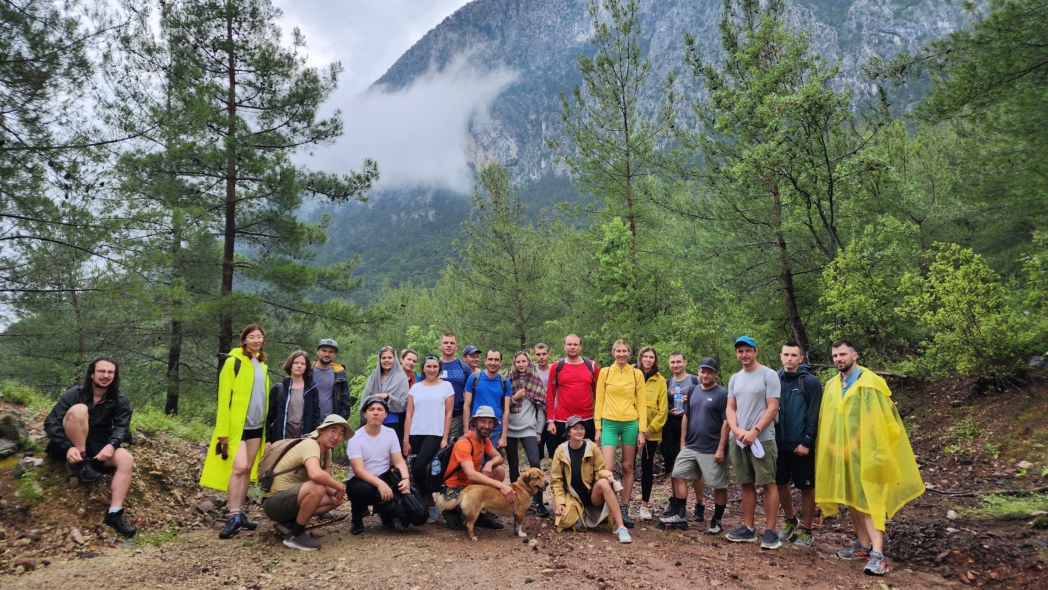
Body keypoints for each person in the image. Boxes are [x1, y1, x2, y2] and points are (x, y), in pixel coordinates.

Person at [817, 341, 924, 576]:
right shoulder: (833, 385)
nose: (838, 359)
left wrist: (879, 451)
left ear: (855, 355)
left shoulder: (870, 383)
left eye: (843, 354)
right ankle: (863, 546)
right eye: (835, 355)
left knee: (870, 501)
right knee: (852, 499)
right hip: (844, 454)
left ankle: (878, 555)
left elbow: (884, 420)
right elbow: (829, 422)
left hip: (870, 453)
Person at [44, 357, 136, 537]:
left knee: (126, 458)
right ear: (92, 374)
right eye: (101, 371)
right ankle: (81, 464)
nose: (105, 375)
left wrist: (112, 445)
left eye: (110, 372)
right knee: (79, 410)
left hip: (99, 444)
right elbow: (51, 422)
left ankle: (114, 514)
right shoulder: (75, 393)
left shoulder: (119, 399)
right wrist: (67, 447)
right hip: (70, 443)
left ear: (115, 376)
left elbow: (121, 427)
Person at [200, 324, 272, 540]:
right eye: (252, 337)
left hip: (256, 425)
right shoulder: (233, 363)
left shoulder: (262, 365)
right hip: (235, 427)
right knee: (239, 468)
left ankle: (240, 513)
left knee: (248, 469)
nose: (257, 340)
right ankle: (232, 515)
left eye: (260, 337)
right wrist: (222, 431)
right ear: (244, 340)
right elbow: (223, 399)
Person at [660, 358, 730, 534]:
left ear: (716, 374)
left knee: (718, 485)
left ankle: (717, 520)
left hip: (712, 447)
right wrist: (683, 442)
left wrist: (721, 448)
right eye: (702, 371)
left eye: (709, 372)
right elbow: (686, 416)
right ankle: (681, 515)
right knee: (677, 473)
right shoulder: (693, 390)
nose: (705, 375)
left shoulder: (723, 394)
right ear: (698, 372)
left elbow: (726, 422)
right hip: (691, 445)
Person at [725, 336, 782, 549]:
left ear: (756, 351)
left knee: (768, 482)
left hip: (762, 439)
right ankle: (748, 529)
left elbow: (772, 407)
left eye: (748, 350)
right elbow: (731, 407)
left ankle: (771, 532)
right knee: (746, 483)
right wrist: (737, 430)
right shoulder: (735, 378)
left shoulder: (769, 375)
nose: (744, 355)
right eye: (740, 351)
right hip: (739, 440)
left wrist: (755, 431)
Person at [261, 414, 351, 551]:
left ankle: (288, 522)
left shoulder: (326, 451)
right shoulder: (310, 444)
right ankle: (295, 535)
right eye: (333, 430)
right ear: (321, 431)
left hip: (289, 500)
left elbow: (327, 480)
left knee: (334, 500)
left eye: (341, 433)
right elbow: (315, 474)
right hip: (273, 503)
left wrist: (338, 494)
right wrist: (339, 486)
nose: (336, 437)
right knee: (317, 487)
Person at [550, 416, 632, 544]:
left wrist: (606, 475)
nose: (579, 431)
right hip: (573, 495)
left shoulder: (592, 448)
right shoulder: (560, 451)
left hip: (591, 493)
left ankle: (621, 528)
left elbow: (599, 470)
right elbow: (556, 480)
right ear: (568, 432)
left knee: (605, 483)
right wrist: (559, 502)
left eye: (582, 428)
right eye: (575, 428)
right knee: (563, 520)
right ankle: (582, 516)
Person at [775, 342, 824, 547]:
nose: (789, 358)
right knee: (780, 483)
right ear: (781, 356)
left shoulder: (810, 382)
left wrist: (807, 441)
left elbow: (814, 414)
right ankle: (789, 520)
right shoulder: (775, 379)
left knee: (806, 487)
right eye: (786, 354)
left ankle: (807, 529)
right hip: (778, 443)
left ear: (801, 358)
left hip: (801, 444)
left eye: (794, 355)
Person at [594, 339, 646, 528]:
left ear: (629, 353)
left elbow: (641, 402)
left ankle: (624, 507)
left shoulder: (636, 374)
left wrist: (642, 430)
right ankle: (609, 507)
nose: (622, 354)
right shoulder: (605, 373)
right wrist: (598, 427)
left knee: (627, 467)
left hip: (630, 423)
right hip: (609, 422)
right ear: (613, 353)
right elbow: (599, 401)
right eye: (618, 351)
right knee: (606, 469)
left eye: (625, 351)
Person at [440, 406, 515, 531]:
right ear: (475, 422)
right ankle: (453, 512)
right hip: (456, 488)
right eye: (483, 421)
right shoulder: (464, 443)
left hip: (471, 485)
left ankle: (482, 514)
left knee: (499, 470)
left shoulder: (484, 440)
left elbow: (499, 458)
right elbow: (471, 474)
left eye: (490, 422)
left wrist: (489, 463)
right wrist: (501, 486)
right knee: (489, 480)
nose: (487, 426)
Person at [345, 396, 412, 535]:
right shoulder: (355, 437)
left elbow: (399, 461)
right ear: (365, 414)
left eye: (380, 410)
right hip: (361, 480)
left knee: (413, 513)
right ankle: (357, 518)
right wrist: (380, 484)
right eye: (372, 409)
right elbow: (358, 470)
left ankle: (385, 512)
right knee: (362, 489)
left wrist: (406, 479)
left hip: (384, 475)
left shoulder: (390, 433)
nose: (376, 413)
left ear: (385, 414)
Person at [403, 355, 454, 522]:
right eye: (428, 366)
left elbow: (448, 415)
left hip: (435, 433)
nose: (431, 369)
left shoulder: (446, 387)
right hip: (416, 432)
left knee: (421, 468)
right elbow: (409, 415)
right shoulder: (415, 388)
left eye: (435, 366)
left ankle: (430, 501)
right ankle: (419, 504)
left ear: (439, 368)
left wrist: (445, 437)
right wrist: (406, 439)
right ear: (423, 369)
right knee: (413, 470)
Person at [505, 351, 549, 517]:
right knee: (513, 465)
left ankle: (538, 501)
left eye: (524, 361)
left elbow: (540, 408)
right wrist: (514, 397)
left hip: (528, 428)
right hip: (510, 429)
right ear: (514, 363)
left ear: (529, 362)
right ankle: (515, 500)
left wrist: (538, 431)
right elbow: (502, 405)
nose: (521, 364)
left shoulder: (535, 379)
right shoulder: (507, 379)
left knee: (535, 463)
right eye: (518, 362)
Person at [661, 352, 703, 520]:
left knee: (695, 466)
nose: (676, 365)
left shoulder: (695, 381)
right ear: (669, 364)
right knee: (672, 465)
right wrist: (668, 412)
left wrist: (689, 402)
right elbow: (660, 405)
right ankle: (676, 500)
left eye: (679, 361)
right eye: (673, 362)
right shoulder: (667, 383)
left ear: (685, 362)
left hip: (692, 426)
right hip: (671, 427)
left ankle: (699, 504)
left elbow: (703, 400)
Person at [545, 334, 599, 444]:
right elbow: (550, 394)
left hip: (586, 419)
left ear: (581, 346)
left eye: (575, 344)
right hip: (563, 419)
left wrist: (599, 422)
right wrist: (550, 420)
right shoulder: (557, 366)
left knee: (587, 456)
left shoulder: (591, 365)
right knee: (564, 456)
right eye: (569, 344)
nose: (572, 347)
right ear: (564, 346)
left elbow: (599, 394)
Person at [636, 346, 667, 521]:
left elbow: (663, 409)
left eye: (651, 357)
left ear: (655, 360)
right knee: (627, 467)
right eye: (645, 356)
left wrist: (649, 429)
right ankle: (622, 505)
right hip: (632, 428)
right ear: (640, 358)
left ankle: (644, 506)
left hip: (651, 432)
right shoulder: (632, 375)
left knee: (647, 467)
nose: (648, 360)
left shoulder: (660, 380)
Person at [359, 346, 411, 442]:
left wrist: (387, 397)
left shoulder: (401, 377)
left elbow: (404, 403)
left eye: (389, 357)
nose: (386, 360)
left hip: (392, 424)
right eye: (383, 358)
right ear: (379, 360)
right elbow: (365, 398)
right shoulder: (374, 375)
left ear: (394, 359)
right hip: (372, 422)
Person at [463, 349, 512, 451]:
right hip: (475, 430)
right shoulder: (474, 378)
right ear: (485, 361)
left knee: (493, 463)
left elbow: (506, 411)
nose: (493, 363)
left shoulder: (505, 382)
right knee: (476, 464)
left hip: (496, 430)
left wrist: (504, 436)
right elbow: (466, 405)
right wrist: (465, 431)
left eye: (496, 360)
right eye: (490, 359)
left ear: (501, 362)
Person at [267, 351, 320, 443]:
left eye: (302, 363)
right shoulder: (279, 389)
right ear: (290, 364)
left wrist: (314, 438)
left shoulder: (312, 390)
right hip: (281, 438)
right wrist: (267, 440)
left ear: (306, 367)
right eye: (296, 363)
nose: (299, 366)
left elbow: (315, 416)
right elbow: (269, 417)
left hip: (304, 439)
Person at [438, 333, 472, 440]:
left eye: (452, 343)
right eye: (446, 343)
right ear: (440, 345)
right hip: (436, 416)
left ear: (456, 346)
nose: (449, 345)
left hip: (457, 416)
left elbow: (469, 394)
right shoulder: (433, 366)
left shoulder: (464, 368)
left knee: (453, 450)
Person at [312, 338, 352, 421]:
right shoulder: (307, 372)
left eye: (331, 352)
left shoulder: (339, 375)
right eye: (324, 351)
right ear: (317, 352)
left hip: (330, 423)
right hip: (309, 423)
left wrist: (340, 422)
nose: (327, 354)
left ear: (335, 355)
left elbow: (345, 401)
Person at [533, 343, 558, 462]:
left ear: (549, 355)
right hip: (535, 417)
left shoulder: (556, 369)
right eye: (538, 354)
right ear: (534, 356)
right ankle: (538, 479)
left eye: (544, 354)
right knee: (536, 454)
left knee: (556, 453)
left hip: (554, 416)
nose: (541, 357)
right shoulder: (531, 372)